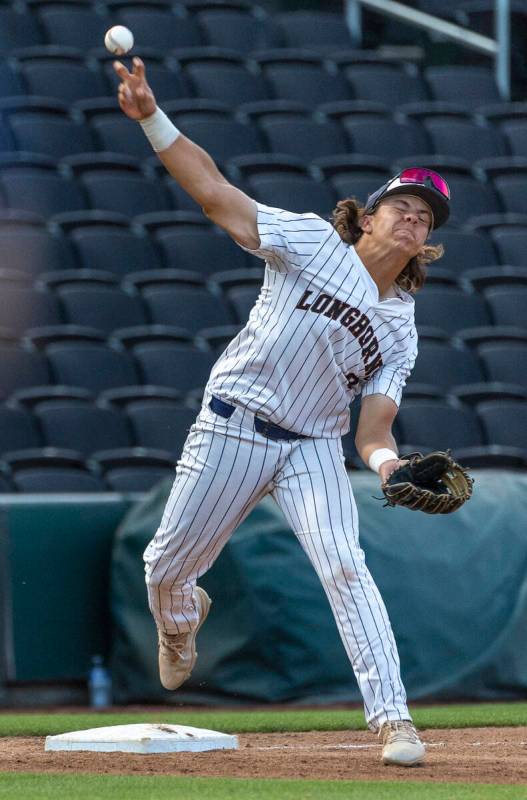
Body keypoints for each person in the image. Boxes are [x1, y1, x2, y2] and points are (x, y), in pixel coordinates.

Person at [114, 57, 450, 767]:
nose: (413, 218)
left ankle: (394, 722)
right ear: (366, 214)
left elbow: (374, 428)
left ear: (427, 240)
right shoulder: (308, 241)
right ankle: (179, 619)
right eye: (403, 206)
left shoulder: (401, 325)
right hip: (234, 423)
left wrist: (390, 466)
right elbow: (212, 193)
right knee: (164, 569)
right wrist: (149, 115)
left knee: (344, 566)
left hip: (313, 449)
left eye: (425, 217)